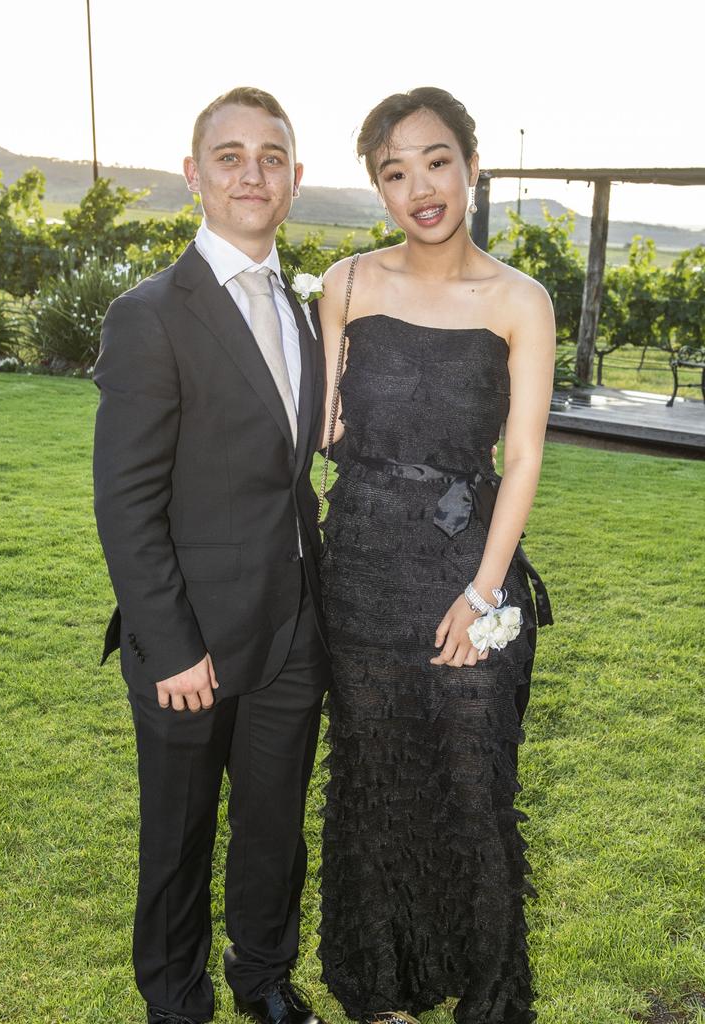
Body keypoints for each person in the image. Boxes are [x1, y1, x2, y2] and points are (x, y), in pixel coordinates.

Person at [315, 88, 555, 1024]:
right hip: (361, 572)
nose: (420, 186)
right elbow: (322, 427)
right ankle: (385, 995)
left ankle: (490, 1001)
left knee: (472, 787)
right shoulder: (345, 283)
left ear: (471, 164)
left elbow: (525, 457)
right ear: (377, 188)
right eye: (394, 170)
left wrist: (483, 589)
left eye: (436, 159)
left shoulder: (518, 299)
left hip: (471, 574)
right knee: (374, 784)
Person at [92, 87, 331, 1024]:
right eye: (228, 156)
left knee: (275, 833)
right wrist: (173, 642)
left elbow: (284, 461)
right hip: (188, 641)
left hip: (292, 629)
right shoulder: (149, 314)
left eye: (271, 156)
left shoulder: (306, 308)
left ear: (296, 180)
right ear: (194, 176)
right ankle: (176, 1001)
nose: (251, 173)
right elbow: (126, 501)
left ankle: (264, 981)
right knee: (179, 839)